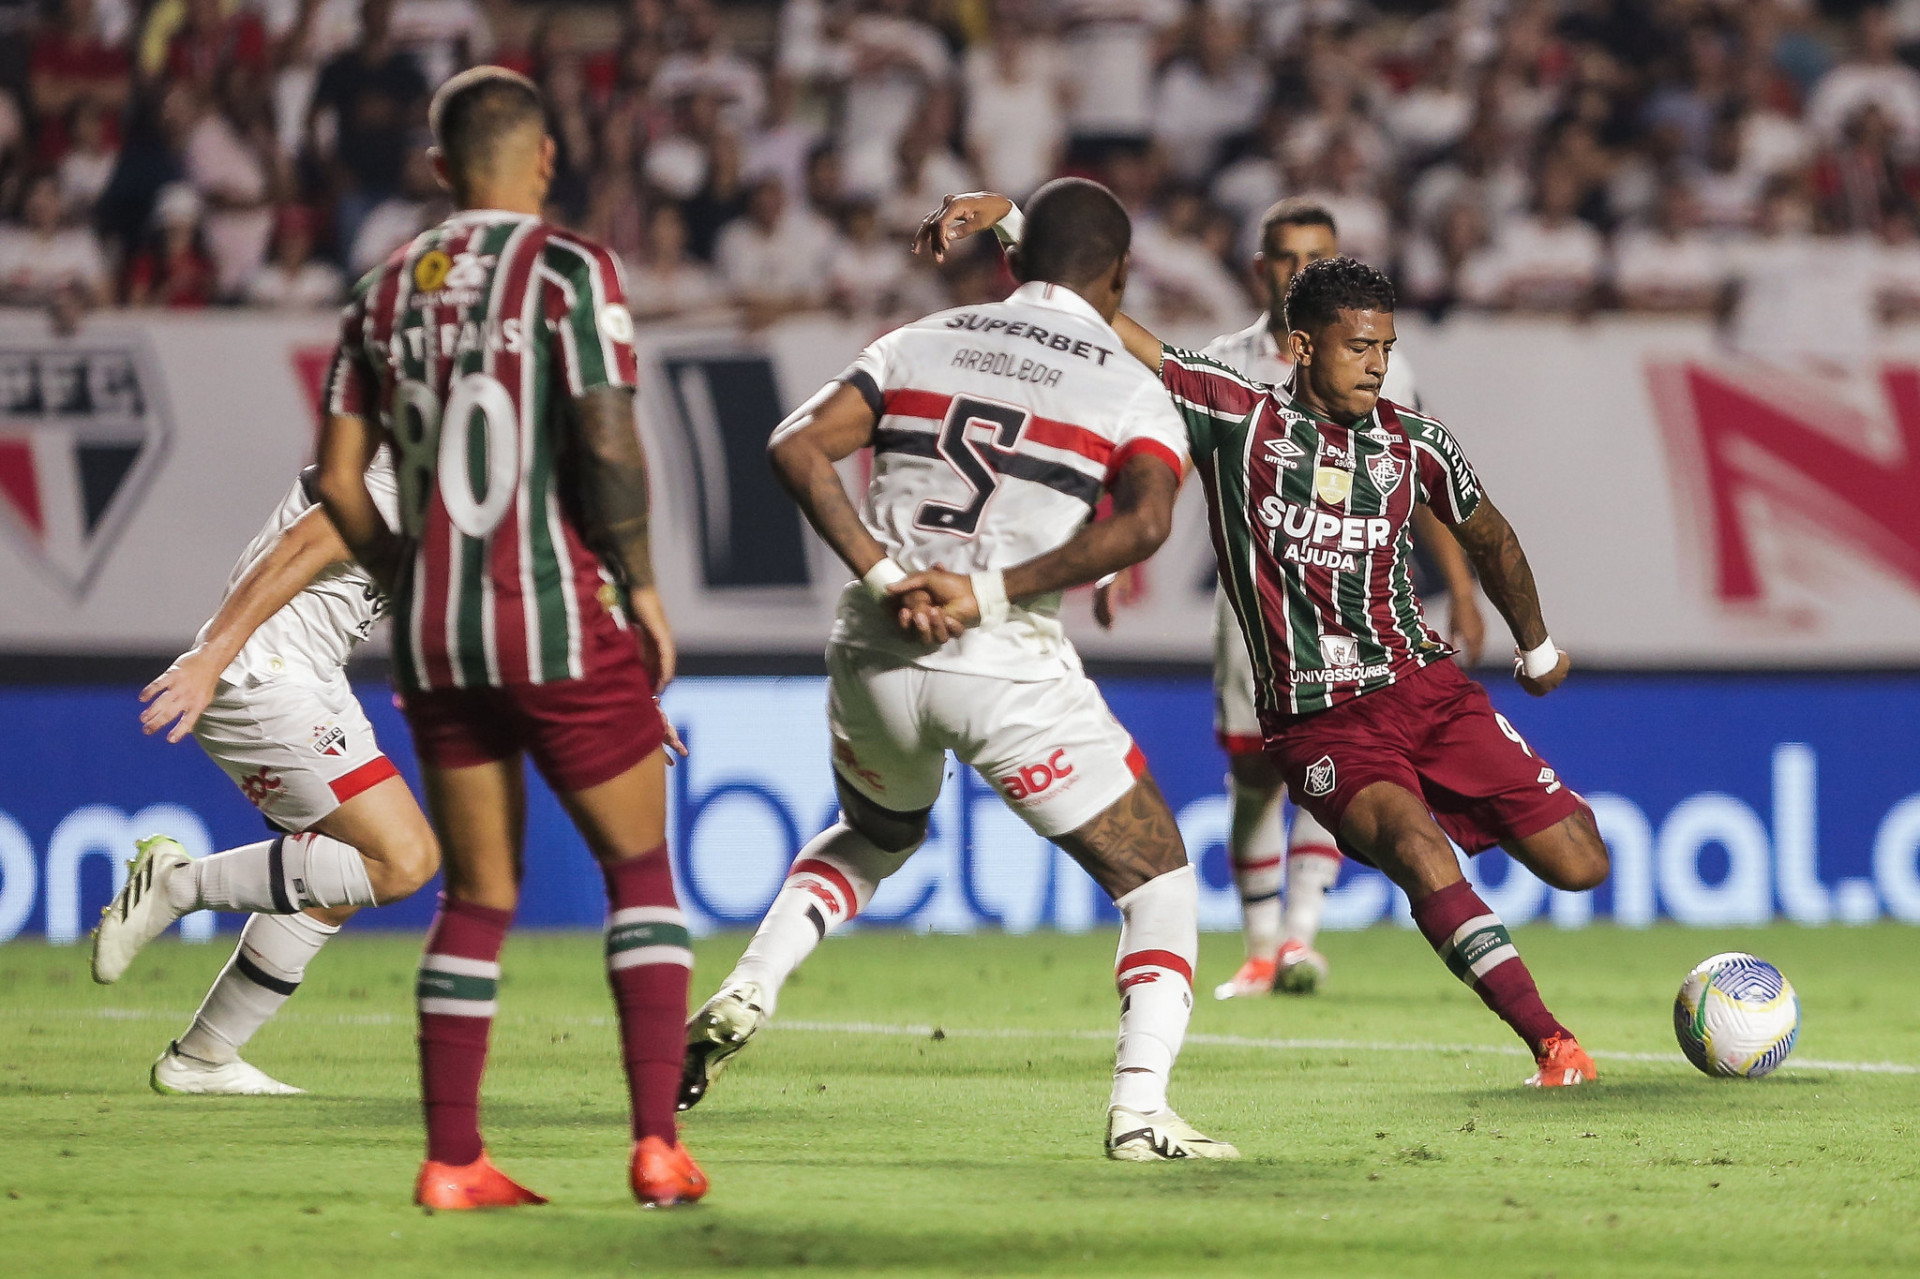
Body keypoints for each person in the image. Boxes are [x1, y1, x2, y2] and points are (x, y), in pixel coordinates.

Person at [916, 191, 1610, 1089]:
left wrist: (1538, 645)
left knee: (1581, 862)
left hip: (1426, 688)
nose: (1378, 366)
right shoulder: (1236, 414)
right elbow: (1108, 322)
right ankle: (1553, 1043)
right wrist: (1016, 225)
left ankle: (1438, 870)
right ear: (1307, 344)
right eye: (1362, 348)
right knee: (1414, 845)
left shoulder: (1414, 442)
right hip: (1322, 721)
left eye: (1387, 349)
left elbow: (1492, 536)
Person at [680, 177, 1239, 1162]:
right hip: (1002, 657)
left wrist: (889, 575)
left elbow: (795, 445)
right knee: (1157, 882)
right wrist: (986, 591)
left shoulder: (920, 338)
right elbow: (1147, 522)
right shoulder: (1127, 380)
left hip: (876, 644)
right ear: (1121, 274)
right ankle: (1140, 1114)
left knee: (875, 831)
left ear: (1018, 261)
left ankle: (747, 988)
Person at [311, 66, 706, 1209]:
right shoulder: (572, 269)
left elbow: (339, 478)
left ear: (439, 169)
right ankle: (653, 1145)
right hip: (554, 612)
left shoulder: (379, 289)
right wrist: (640, 583)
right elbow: (607, 432)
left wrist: (407, 571)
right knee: (640, 872)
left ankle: (451, 1160)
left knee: (477, 896)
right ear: (543, 160)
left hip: (433, 633)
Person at [1098, 197, 1487, 1000]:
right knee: (1252, 781)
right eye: (1286, 256)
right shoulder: (1225, 360)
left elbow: (1424, 480)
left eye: (1318, 255)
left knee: (1342, 764)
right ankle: (1260, 941)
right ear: (1260, 268)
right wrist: (1121, 558)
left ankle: (1299, 936)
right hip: (1258, 614)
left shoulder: (1383, 362)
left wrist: (1466, 588)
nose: (1300, 270)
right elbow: (1168, 463)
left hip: (1358, 606)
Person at [89, 457, 440, 1098]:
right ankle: (175, 885)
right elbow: (303, 542)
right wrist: (209, 657)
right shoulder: (424, 462)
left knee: (334, 878)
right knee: (404, 859)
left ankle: (202, 1059)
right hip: (262, 675)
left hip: (313, 678)